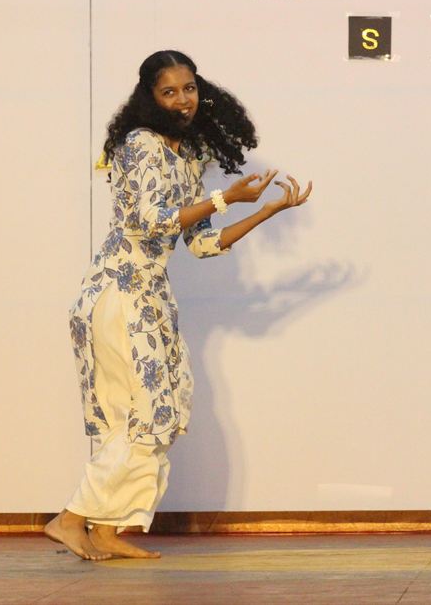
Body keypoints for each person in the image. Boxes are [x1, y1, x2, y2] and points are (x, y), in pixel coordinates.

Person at [44, 50, 312, 560]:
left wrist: (267, 210)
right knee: (145, 415)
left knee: (156, 415)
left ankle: (107, 529)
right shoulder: (139, 144)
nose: (183, 100)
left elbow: (202, 242)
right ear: (151, 96)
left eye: (188, 88)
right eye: (169, 91)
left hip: (151, 297)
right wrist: (225, 198)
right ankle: (72, 518)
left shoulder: (188, 156)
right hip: (118, 293)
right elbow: (150, 222)